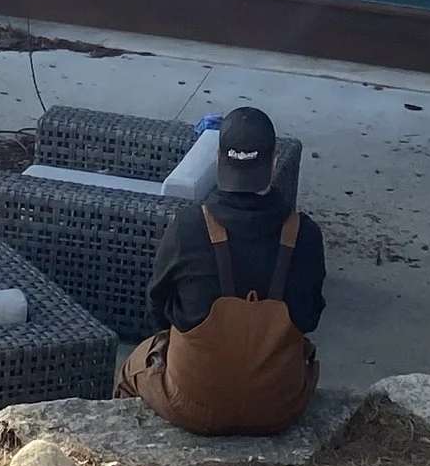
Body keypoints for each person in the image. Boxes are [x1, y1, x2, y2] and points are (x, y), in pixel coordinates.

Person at [117, 103, 325, 435]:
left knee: (132, 368)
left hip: (192, 404)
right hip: (279, 406)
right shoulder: (306, 235)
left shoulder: (188, 227)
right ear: (272, 162)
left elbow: (157, 305)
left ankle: (128, 446)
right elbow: (311, 316)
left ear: (218, 160)